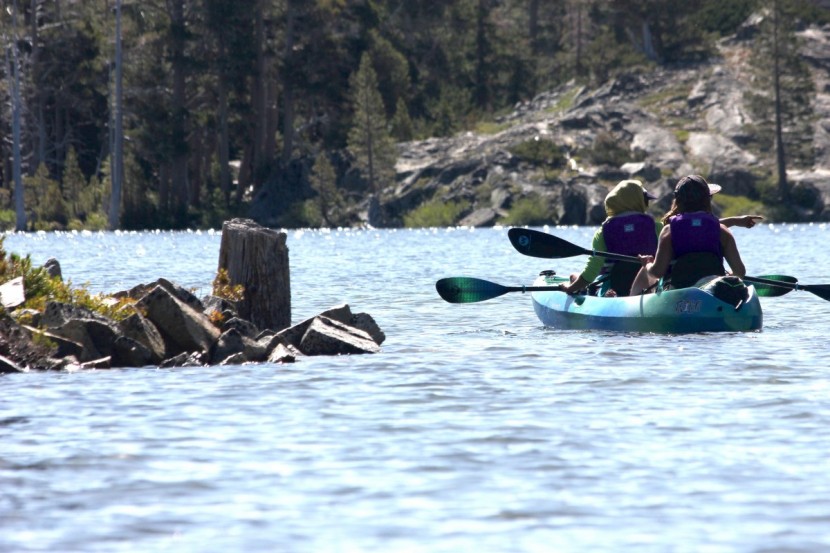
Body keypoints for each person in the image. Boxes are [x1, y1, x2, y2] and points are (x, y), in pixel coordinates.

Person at [629, 174, 752, 295]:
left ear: (678, 201)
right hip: (713, 294)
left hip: (679, 295)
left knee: (646, 272)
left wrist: (648, 264)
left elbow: (657, 272)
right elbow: (739, 272)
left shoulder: (669, 231)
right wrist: (727, 277)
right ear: (707, 199)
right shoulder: (722, 231)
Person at [560, 179, 661, 296]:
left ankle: (587, 290)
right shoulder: (657, 227)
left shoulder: (603, 232)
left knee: (574, 276)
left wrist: (570, 289)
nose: (647, 204)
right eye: (646, 200)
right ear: (639, 202)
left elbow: (591, 272)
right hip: (649, 287)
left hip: (614, 287)